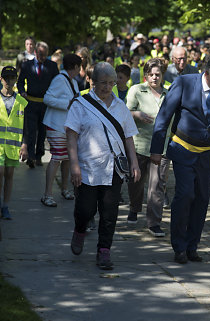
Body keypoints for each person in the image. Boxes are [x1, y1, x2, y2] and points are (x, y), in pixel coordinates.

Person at [150, 56, 210, 264]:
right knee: (185, 194)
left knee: (202, 198)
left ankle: (192, 246)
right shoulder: (185, 83)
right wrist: (156, 149)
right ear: (207, 74)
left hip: (207, 153)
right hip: (182, 148)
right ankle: (179, 247)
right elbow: (164, 116)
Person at [66, 62, 140, 270]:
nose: (108, 87)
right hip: (87, 167)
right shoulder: (80, 104)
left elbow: (128, 138)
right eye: (103, 83)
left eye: (111, 83)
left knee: (109, 213)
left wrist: (134, 163)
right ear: (92, 81)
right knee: (85, 210)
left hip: (113, 169)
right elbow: (71, 137)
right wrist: (74, 166)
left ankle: (104, 251)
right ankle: (79, 229)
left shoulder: (120, 107)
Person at [126, 58, 169, 236]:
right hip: (139, 144)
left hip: (162, 147)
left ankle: (153, 222)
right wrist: (136, 114)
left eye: (157, 75)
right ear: (145, 75)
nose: (154, 78)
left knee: (157, 186)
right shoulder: (136, 90)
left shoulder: (170, 93)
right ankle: (134, 208)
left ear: (163, 76)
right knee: (136, 181)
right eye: (150, 75)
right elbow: (124, 113)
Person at [0, 66, 28, 220]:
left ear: (16, 79)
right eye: (6, 78)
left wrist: (25, 144)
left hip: (13, 145)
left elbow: (26, 126)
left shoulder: (21, 101)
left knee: (9, 174)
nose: (9, 81)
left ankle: (5, 206)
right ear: (1, 79)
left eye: (12, 78)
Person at [41, 54, 82, 207]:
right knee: (57, 158)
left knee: (66, 158)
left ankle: (64, 189)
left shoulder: (73, 81)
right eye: (79, 67)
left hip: (67, 126)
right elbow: (47, 98)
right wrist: (68, 103)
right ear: (76, 66)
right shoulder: (60, 79)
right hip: (56, 125)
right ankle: (47, 194)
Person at [17, 41, 59, 168]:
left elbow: (57, 83)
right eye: (41, 54)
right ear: (35, 52)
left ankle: (39, 155)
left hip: (45, 103)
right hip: (30, 102)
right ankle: (31, 156)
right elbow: (19, 82)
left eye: (45, 55)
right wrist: (22, 92)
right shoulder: (26, 65)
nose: (43, 57)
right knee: (31, 130)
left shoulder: (52, 66)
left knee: (42, 130)